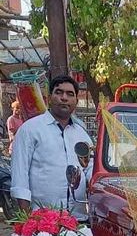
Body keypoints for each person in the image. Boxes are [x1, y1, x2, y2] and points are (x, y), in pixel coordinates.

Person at [11, 75, 92, 220]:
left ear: (76, 101)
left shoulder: (82, 133)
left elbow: (89, 168)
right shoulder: (30, 129)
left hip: (78, 219)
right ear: (49, 98)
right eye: (59, 92)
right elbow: (20, 177)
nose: (64, 98)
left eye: (70, 94)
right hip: (42, 221)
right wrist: (27, 221)